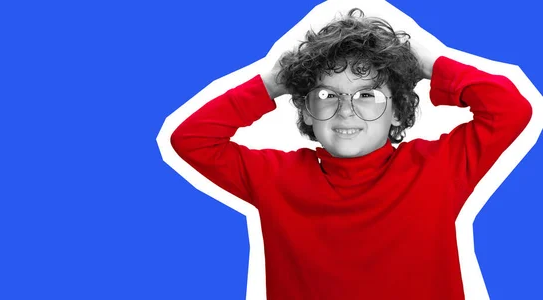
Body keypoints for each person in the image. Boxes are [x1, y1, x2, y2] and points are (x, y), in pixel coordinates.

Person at [170, 8, 532, 300]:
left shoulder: (439, 168)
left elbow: (510, 109)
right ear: (306, 111)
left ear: (399, 110)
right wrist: (273, 81)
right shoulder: (274, 177)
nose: (346, 110)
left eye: (367, 94)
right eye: (327, 95)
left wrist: (431, 62)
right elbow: (191, 139)